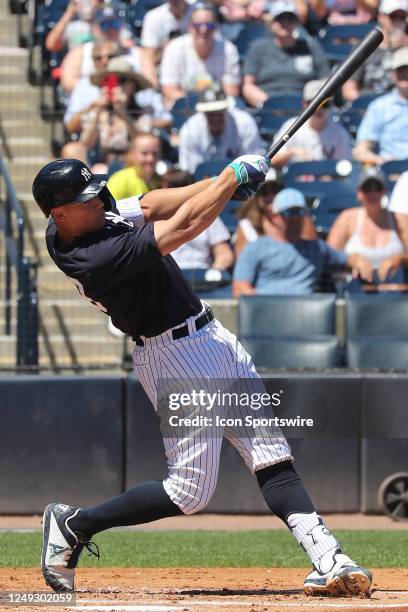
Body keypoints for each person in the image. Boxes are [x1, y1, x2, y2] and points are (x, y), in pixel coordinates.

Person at [32, 156, 372, 598]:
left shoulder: (91, 217)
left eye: (96, 191)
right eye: (86, 199)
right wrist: (231, 178)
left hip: (213, 337)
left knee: (270, 454)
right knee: (189, 492)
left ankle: (329, 557)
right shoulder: (90, 256)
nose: (98, 200)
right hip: (174, 357)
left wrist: (222, 183)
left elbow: (153, 204)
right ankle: (74, 523)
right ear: (60, 214)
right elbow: (182, 228)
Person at [233, 187, 371, 296]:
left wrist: (358, 259)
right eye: (288, 213)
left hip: (305, 318)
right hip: (267, 316)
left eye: (299, 212)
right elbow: (240, 289)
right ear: (275, 217)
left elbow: (346, 259)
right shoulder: (256, 248)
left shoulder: (317, 248)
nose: (294, 218)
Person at [327, 167, 408, 285]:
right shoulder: (347, 218)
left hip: (395, 292)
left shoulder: (399, 220)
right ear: (359, 192)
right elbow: (329, 255)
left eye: (378, 188)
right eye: (367, 188)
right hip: (355, 292)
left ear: (384, 191)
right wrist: (351, 259)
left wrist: (399, 259)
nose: (373, 193)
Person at [242, 0, 330, 107]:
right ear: (271, 23)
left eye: (290, 19)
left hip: (305, 109)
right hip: (268, 108)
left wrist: (309, 102)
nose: (285, 23)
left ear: (297, 23)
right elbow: (248, 86)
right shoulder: (259, 47)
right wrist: (272, 104)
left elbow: (325, 81)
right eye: (280, 19)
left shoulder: (310, 46)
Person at [160, 2, 241, 105]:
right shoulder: (175, 48)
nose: (203, 30)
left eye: (209, 25)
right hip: (185, 106)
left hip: (218, 108)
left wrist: (209, 106)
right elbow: (169, 90)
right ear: (190, 27)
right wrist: (199, 105)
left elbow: (231, 91)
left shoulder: (228, 50)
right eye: (198, 26)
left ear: (216, 28)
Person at [234, 168, 317, 257]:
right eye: (264, 192)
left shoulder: (300, 219)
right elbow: (243, 263)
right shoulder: (247, 227)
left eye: (275, 191)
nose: (271, 196)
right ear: (257, 198)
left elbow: (312, 255)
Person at [178, 86, 261, 173]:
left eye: (219, 112)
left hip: (240, 183)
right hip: (203, 184)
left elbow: (253, 166)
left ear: (227, 109)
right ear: (203, 113)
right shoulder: (190, 130)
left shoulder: (245, 124)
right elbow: (190, 172)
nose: (216, 118)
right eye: (210, 113)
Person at [271, 80, 353, 167]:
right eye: (313, 104)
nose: (319, 109)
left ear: (331, 105)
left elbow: (346, 166)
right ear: (304, 104)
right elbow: (270, 161)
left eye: (324, 104)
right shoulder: (291, 127)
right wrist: (292, 152)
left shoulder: (339, 133)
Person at [342, 0, 408, 101]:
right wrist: (373, 107)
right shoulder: (365, 47)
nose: (398, 22)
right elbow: (349, 89)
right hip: (368, 106)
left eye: (402, 17)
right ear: (381, 17)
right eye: (393, 16)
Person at [354, 47, 408, 165]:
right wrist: (384, 163)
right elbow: (361, 151)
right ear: (392, 74)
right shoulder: (379, 107)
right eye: (400, 69)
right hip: (391, 173)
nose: (405, 74)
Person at [140, 0, 193, 88]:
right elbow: (147, 57)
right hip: (166, 73)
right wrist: (152, 86)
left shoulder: (200, 13)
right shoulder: (154, 17)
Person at [107, 131, 161, 200]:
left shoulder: (159, 181)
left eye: (155, 153)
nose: (150, 159)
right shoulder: (120, 180)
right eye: (144, 153)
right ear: (132, 153)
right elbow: (105, 209)